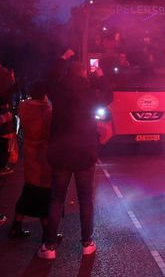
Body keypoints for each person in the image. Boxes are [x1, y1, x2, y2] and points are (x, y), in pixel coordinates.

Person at [37, 49, 111, 259]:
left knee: (56, 199)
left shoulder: (58, 91)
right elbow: (108, 96)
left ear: (68, 73)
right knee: (86, 200)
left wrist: (62, 58)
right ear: (83, 74)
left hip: (61, 152)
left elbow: (49, 79)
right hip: (85, 152)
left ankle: (49, 247)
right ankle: (87, 243)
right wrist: (102, 76)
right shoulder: (90, 93)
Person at [8, 81, 52, 239]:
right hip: (43, 154)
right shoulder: (46, 110)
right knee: (44, 192)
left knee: (29, 189)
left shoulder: (24, 107)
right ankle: (47, 230)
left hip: (29, 151)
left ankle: (16, 225)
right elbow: (49, 133)